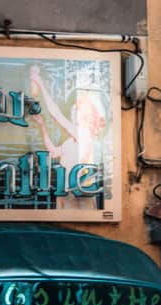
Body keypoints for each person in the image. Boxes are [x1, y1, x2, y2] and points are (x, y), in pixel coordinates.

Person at [29, 65, 108, 209]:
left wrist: (40, 83)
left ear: (90, 115)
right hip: (65, 193)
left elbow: (56, 114)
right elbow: (53, 152)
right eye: (74, 109)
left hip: (78, 195)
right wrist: (42, 126)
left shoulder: (84, 134)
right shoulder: (72, 140)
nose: (74, 112)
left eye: (79, 109)